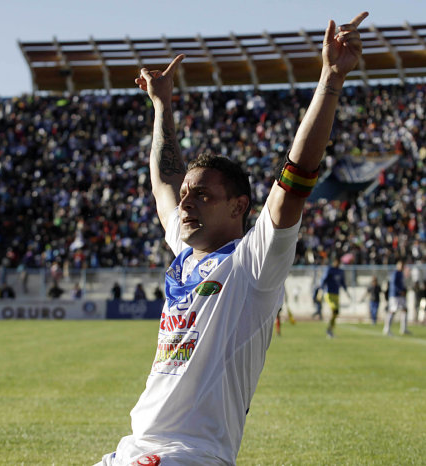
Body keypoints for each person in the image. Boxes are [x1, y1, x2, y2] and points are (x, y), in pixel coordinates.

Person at [95, 11, 368, 466]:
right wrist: (162, 106)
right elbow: (164, 182)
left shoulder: (253, 263)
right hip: (132, 446)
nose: (185, 204)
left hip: (188, 454)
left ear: (239, 206)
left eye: (201, 195)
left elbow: (296, 178)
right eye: (187, 196)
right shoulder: (183, 251)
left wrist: (331, 79)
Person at [320, 257, 349, 338]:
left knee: (336, 313)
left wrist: (347, 291)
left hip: (336, 294)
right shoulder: (329, 270)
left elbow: (342, 282)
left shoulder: (340, 271)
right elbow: (323, 280)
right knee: (334, 309)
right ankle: (329, 330)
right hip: (328, 294)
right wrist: (320, 290)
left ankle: (330, 329)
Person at [383, 260, 410, 335]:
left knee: (404, 310)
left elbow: (401, 284)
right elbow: (393, 284)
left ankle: (403, 329)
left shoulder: (401, 274)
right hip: (395, 295)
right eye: (400, 265)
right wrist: (399, 291)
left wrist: (403, 290)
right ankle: (386, 329)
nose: (401, 267)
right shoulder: (395, 273)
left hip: (400, 295)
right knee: (392, 310)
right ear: (397, 265)